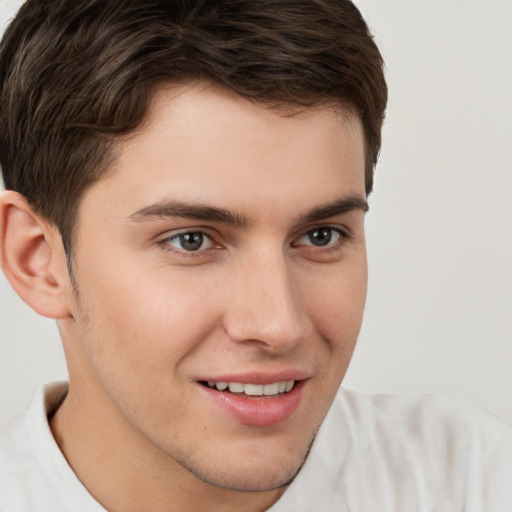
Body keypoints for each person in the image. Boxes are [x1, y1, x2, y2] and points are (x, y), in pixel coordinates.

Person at [0, 1, 510, 511]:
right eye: (191, 240)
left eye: (321, 236)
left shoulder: (475, 483)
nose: (279, 324)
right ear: (38, 261)